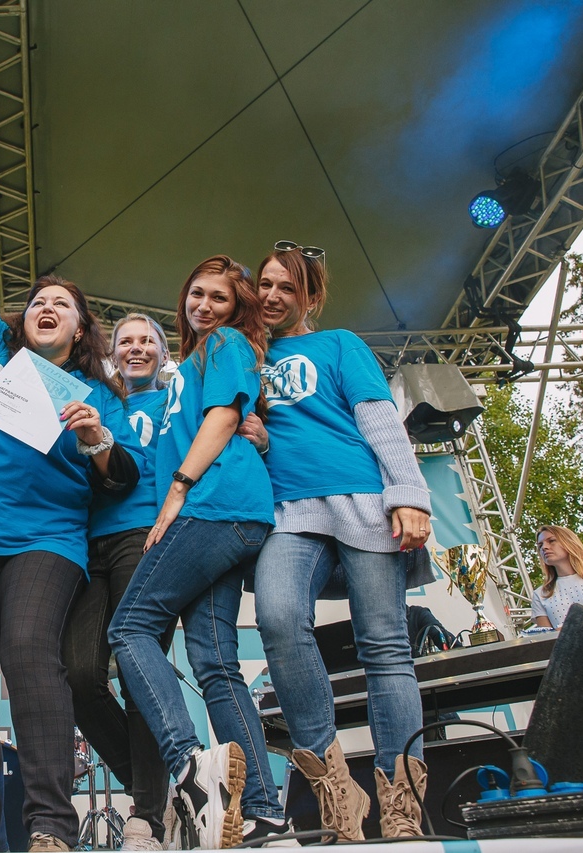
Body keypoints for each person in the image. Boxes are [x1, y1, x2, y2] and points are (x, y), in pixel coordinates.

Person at [0, 158, 141, 853]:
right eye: (38, 301)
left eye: (62, 305)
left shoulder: (99, 394)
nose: (46, 307)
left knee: (27, 652)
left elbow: (123, 475)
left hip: (45, 541)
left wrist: (96, 437)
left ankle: (50, 825)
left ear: (80, 330)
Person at [108, 257, 290, 849]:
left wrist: (179, 489)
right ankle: (264, 813)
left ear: (236, 308)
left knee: (129, 628)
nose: (204, 305)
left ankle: (188, 764)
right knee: (214, 661)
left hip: (215, 506)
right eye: (197, 294)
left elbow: (225, 416)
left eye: (218, 297)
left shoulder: (225, 343)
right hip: (231, 516)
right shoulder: (188, 365)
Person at [252, 241, 431, 841]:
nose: (273, 295)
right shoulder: (247, 357)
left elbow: (378, 416)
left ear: (311, 297)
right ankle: (335, 791)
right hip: (288, 510)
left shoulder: (339, 344)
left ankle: (401, 805)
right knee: (278, 619)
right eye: (265, 284)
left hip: (361, 498)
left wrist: (408, 493)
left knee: (385, 646)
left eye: (287, 287)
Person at [63, 314, 171, 851]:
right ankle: (162, 789)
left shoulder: (174, 402)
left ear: (163, 353)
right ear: (112, 353)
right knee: (78, 675)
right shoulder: (99, 399)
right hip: (89, 542)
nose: (136, 348)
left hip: (145, 535)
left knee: (137, 673)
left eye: (147, 340)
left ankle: (147, 817)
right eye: (126, 341)